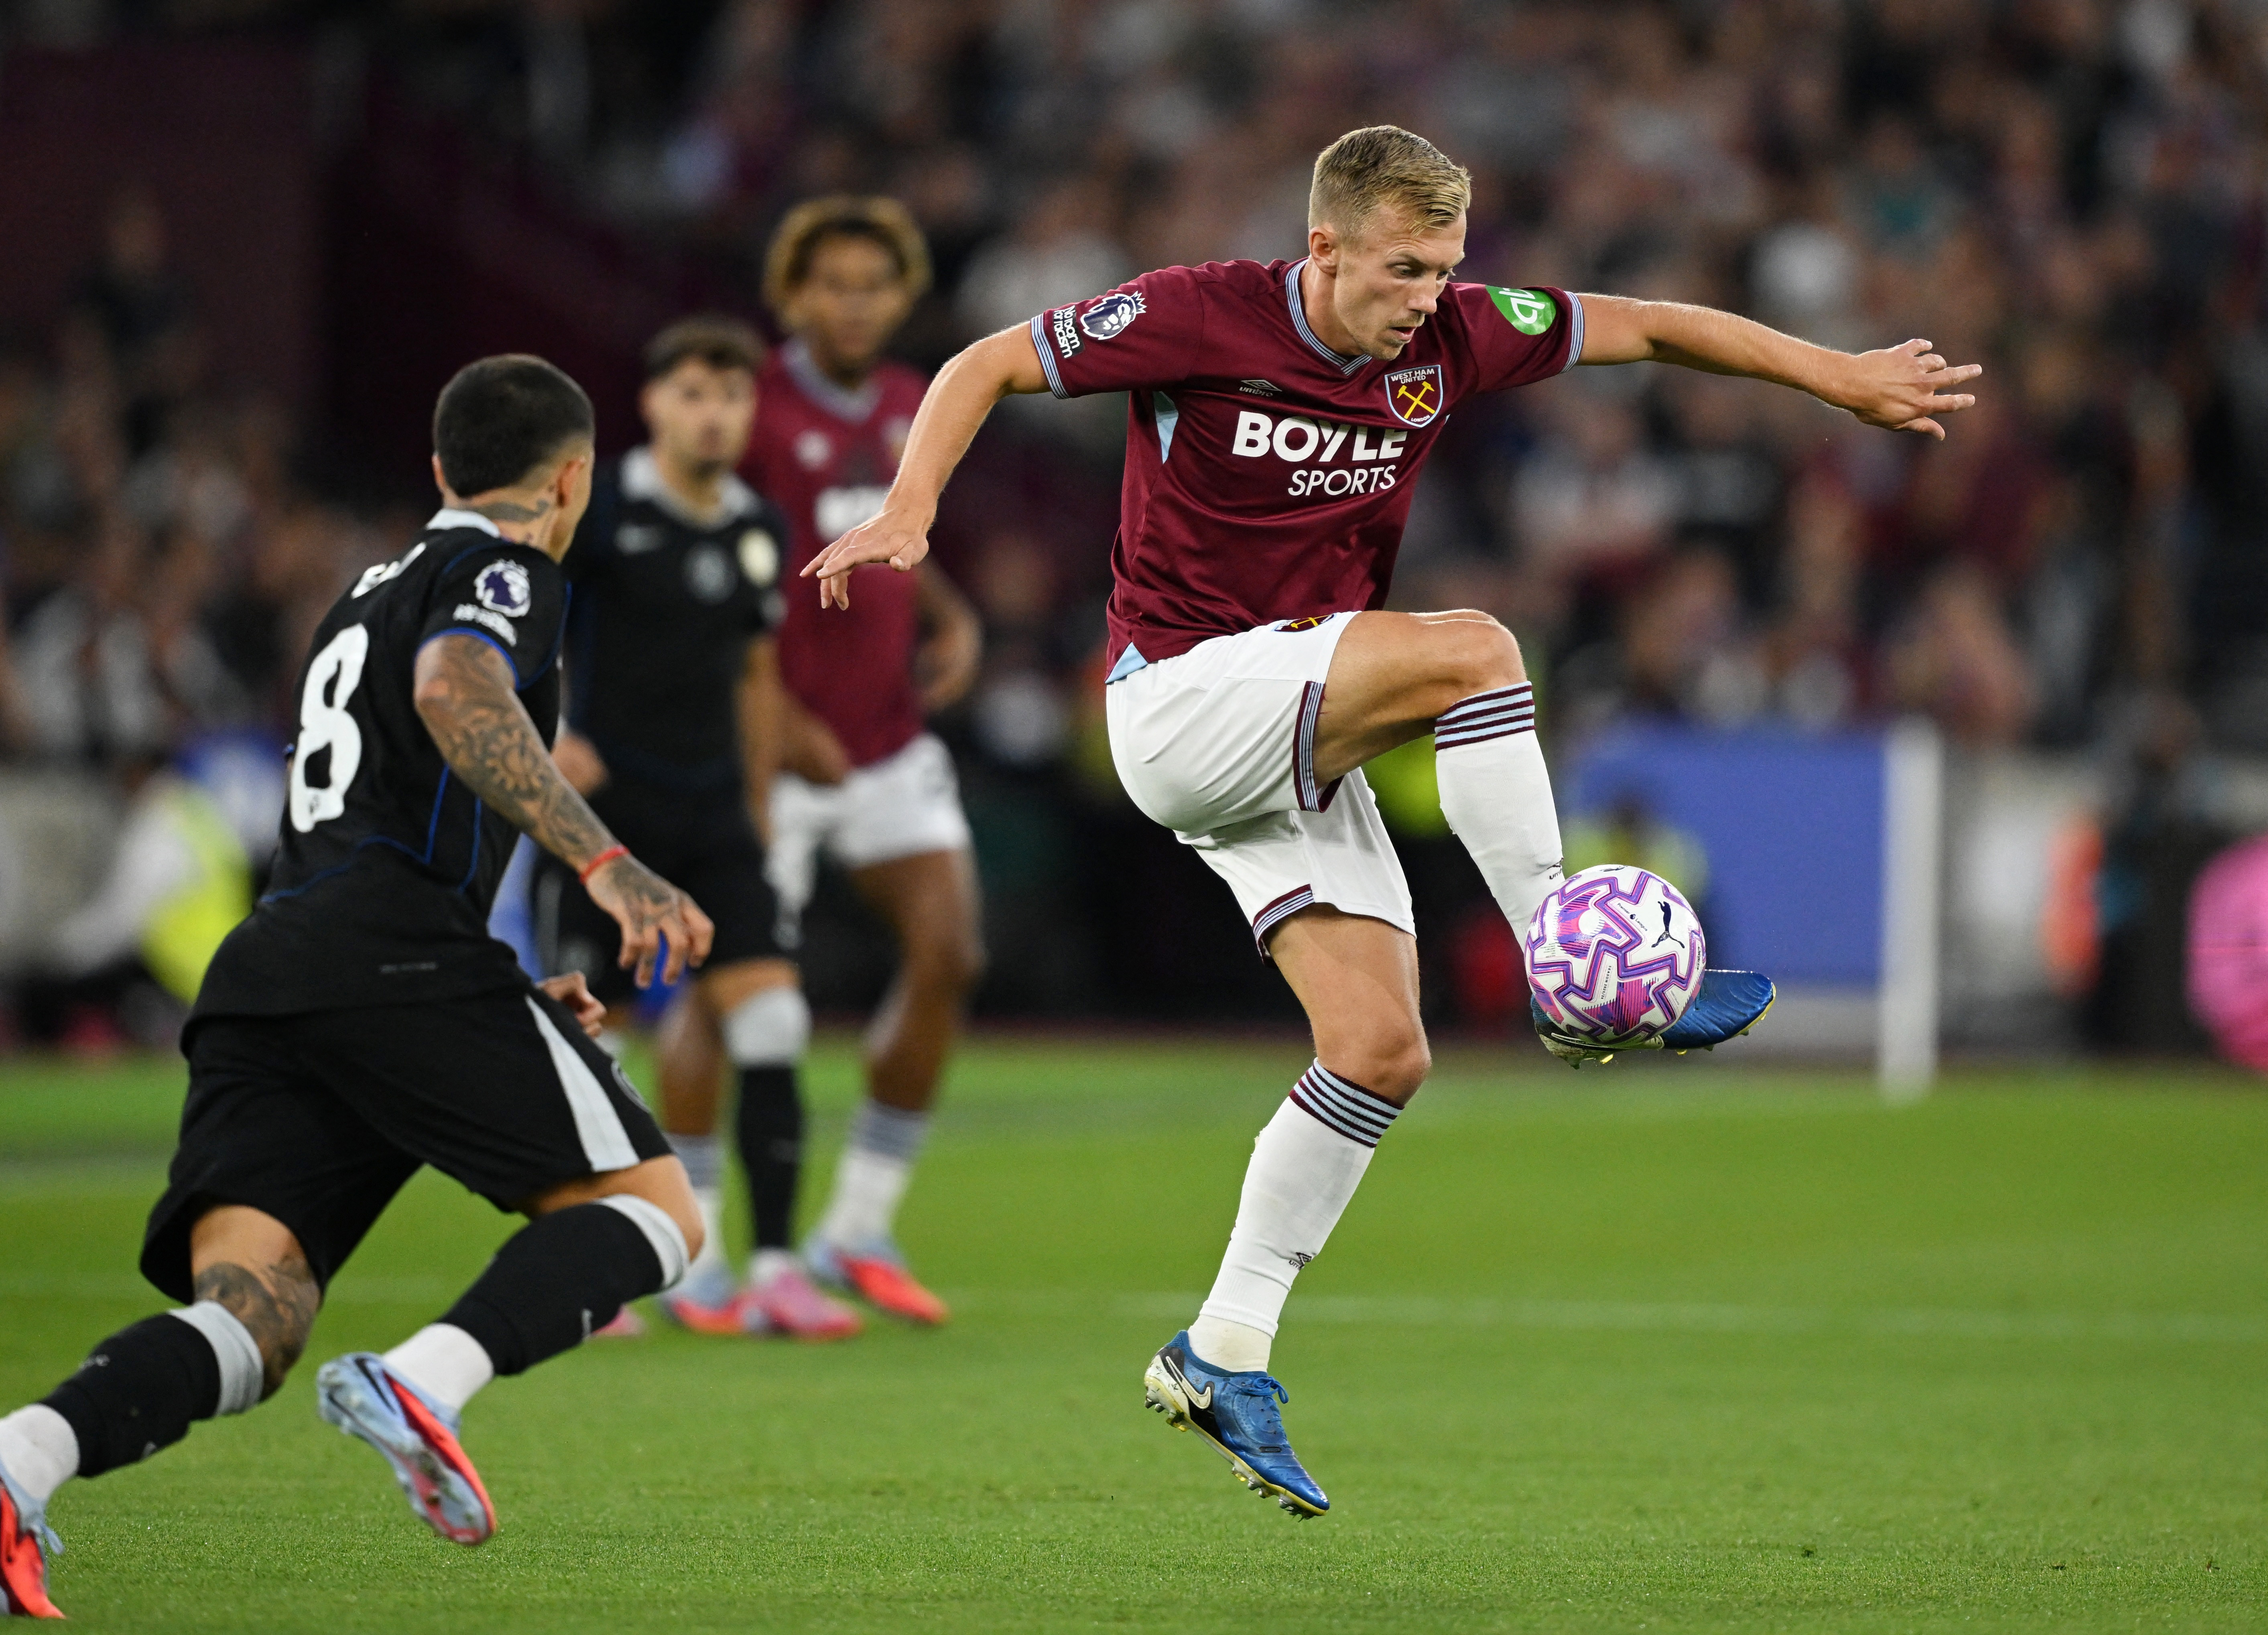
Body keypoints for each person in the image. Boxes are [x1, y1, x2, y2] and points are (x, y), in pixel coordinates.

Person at [804, 126, 1977, 1517]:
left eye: (1446, 269)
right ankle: (1563, 950)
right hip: (1177, 705)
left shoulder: (1455, 340)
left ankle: (1219, 1347)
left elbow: (1653, 328)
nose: (1428, 295)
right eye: (1403, 267)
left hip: (1289, 719)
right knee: (1478, 647)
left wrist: (1832, 377)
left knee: (1378, 1048)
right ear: (1324, 249)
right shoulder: (1199, 315)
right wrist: (909, 507)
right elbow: (983, 360)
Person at [0, 356, 715, 1616]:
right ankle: (428, 1382)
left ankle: (15, 1458)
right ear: (573, 478)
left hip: (286, 961)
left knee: (253, 1314)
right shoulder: (505, 568)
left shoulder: (360, 590)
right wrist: (608, 864)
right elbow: (456, 688)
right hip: (387, 951)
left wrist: (488, 991)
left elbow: (373, 817)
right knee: (658, 1207)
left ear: (441, 470)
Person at [536, 316, 860, 1340]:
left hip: (716, 813)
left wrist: (760, 807)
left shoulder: (757, 525)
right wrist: (547, 733)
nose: (714, 413)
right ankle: (591, 1270)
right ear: (652, 404)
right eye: (693, 393)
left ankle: (770, 1271)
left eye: (732, 395)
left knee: (774, 1025)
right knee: (590, 1036)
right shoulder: (594, 513)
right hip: (609, 817)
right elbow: (520, 623)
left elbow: (756, 673)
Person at [726, 195, 985, 1324]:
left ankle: (854, 1226)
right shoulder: (751, 412)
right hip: (771, 748)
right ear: (792, 294)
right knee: (719, 995)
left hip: (884, 740)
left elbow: (885, 523)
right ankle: (682, 1239)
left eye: (874, 284)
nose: (854, 302)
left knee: (951, 950)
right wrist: (777, 718)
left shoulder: (902, 403)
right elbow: (712, 575)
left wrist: (952, 613)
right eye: (832, 282)